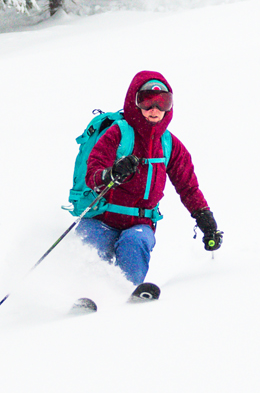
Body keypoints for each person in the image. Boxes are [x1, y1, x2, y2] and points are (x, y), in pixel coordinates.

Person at [76, 69, 223, 294]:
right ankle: (84, 298)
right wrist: (111, 173)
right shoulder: (118, 134)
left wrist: (205, 218)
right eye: (147, 102)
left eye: (162, 102)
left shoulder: (169, 144)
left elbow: (188, 186)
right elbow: (93, 172)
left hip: (139, 224)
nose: (155, 110)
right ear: (135, 103)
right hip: (101, 218)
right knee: (91, 250)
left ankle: (125, 299)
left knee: (135, 245)